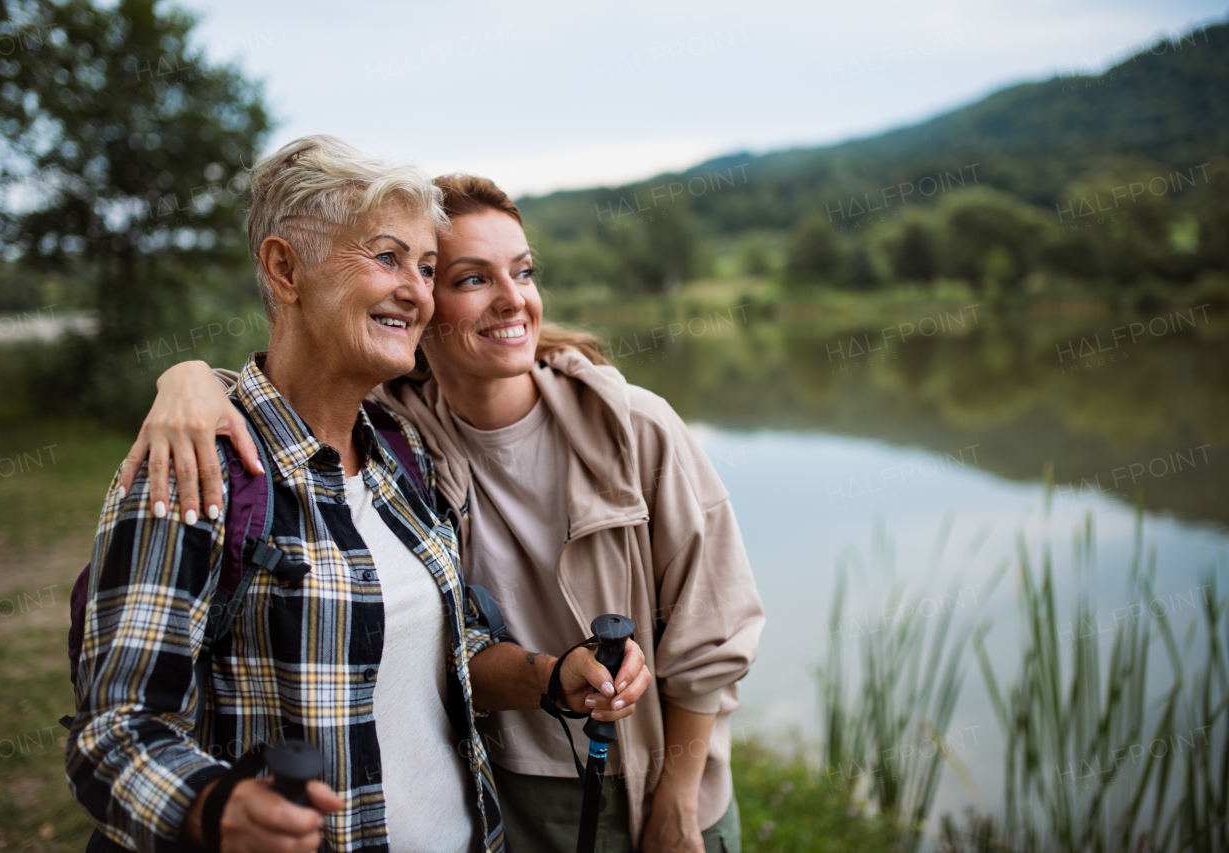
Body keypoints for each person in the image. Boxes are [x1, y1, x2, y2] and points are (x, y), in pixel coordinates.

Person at [123, 175, 763, 852]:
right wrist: (188, 377)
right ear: (426, 307)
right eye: (471, 279)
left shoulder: (635, 427)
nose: (513, 298)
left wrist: (677, 802)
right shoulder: (398, 436)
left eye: (523, 271)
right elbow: (293, 388)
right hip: (503, 791)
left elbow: (712, 639)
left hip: (656, 782)